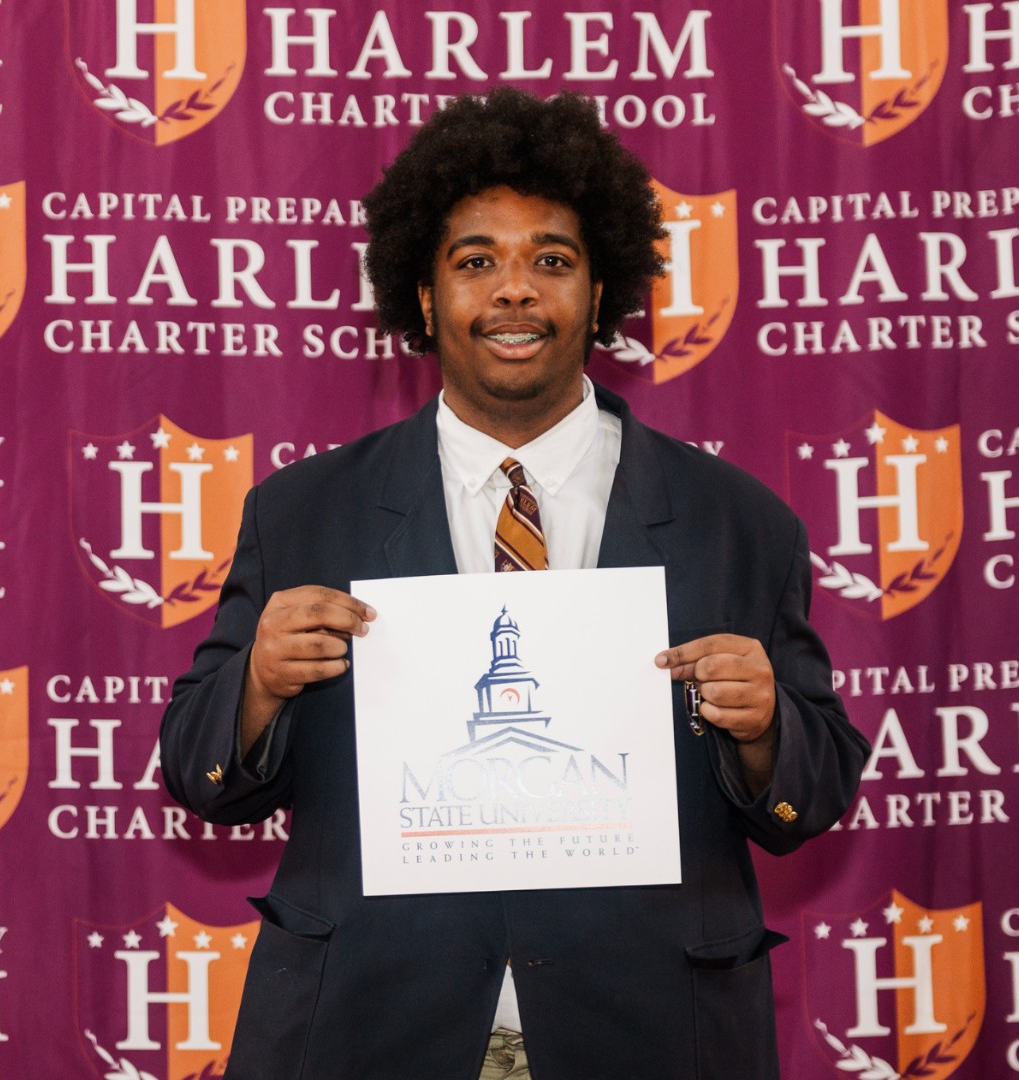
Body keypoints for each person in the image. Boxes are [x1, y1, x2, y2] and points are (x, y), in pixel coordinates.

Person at [160, 88, 870, 1080]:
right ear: (422, 292)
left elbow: (816, 790)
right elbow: (200, 776)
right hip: (371, 1027)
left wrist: (764, 733)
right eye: (475, 261)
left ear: (601, 287)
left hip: (651, 1032)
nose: (514, 292)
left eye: (551, 260)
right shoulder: (303, 513)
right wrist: (258, 688)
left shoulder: (738, 520)